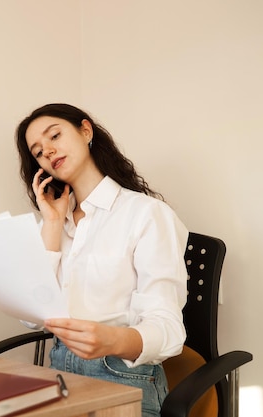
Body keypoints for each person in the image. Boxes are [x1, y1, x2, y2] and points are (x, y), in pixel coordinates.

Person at [15, 103, 188, 417]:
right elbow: (31, 317)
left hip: (123, 377)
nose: (49, 151)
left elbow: (169, 329)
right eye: (39, 152)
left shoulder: (146, 214)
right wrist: (53, 225)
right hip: (59, 373)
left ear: (85, 131)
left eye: (54, 136)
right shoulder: (54, 222)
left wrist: (114, 340)